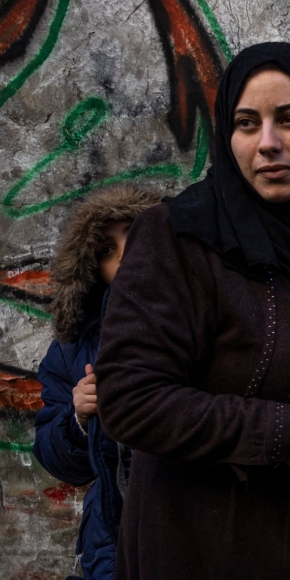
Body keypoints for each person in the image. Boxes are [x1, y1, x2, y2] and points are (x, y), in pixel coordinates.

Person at [95, 42, 290, 578]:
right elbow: (129, 398)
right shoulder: (180, 237)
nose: (267, 144)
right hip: (207, 547)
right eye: (247, 123)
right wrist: (280, 435)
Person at [33, 185, 160, 580]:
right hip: (111, 542)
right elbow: (57, 461)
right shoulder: (76, 349)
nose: (125, 254)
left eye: (137, 235)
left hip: (195, 530)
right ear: (91, 269)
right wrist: (78, 420)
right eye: (106, 250)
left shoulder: (208, 322)